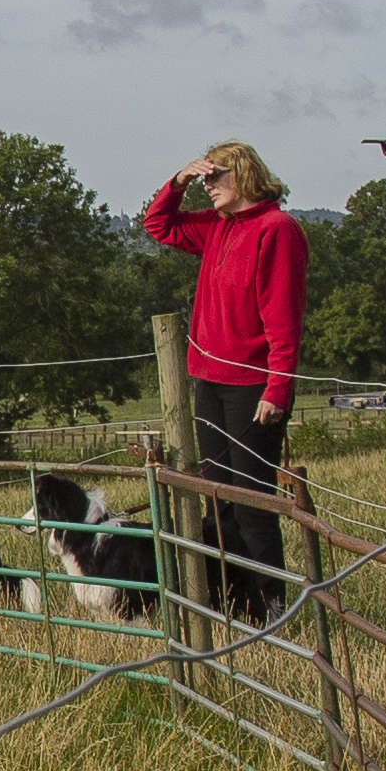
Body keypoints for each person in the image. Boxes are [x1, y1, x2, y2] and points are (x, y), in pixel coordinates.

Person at [144, 140, 309, 617]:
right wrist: (176, 181)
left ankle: (274, 602)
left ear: (244, 176)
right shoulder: (217, 228)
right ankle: (236, 597)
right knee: (217, 495)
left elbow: (283, 315)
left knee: (252, 499)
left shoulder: (276, 229)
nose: (208, 186)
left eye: (215, 176)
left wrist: (277, 386)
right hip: (209, 378)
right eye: (203, 179)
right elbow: (159, 224)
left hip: (252, 384)